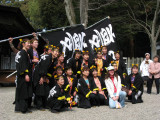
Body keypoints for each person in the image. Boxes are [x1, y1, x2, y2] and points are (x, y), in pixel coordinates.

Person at [15, 39, 33, 113]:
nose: (29, 44)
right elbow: (23, 64)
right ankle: (23, 109)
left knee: (22, 91)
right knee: (23, 92)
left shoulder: (24, 52)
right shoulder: (22, 53)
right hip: (23, 75)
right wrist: (26, 74)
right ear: (23, 44)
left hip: (22, 75)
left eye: (29, 43)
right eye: (27, 43)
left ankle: (21, 107)